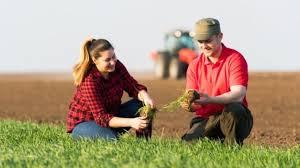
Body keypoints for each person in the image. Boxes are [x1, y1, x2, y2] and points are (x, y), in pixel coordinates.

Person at [181, 18, 253, 145]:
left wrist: (209, 99)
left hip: (232, 117)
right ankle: (217, 141)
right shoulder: (194, 65)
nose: (204, 46)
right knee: (188, 145)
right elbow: (193, 98)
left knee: (234, 110)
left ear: (220, 37)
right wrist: (189, 104)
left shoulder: (235, 59)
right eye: (200, 41)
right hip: (206, 119)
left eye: (208, 41)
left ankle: (232, 149)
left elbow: (239, 94)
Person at [66, 38, 155, 140]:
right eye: (107, 60)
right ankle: (109, 135)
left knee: (143, 105)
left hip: (110, 118)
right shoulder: (89, 81)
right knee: (112, 139)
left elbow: (133, 86)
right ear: (95, 60)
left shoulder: (117, 66)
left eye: (114, 57)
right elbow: (101, 118)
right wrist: (132, 122)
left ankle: (143, 143)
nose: (113, 62)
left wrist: (145, 96)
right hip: (85, 124)